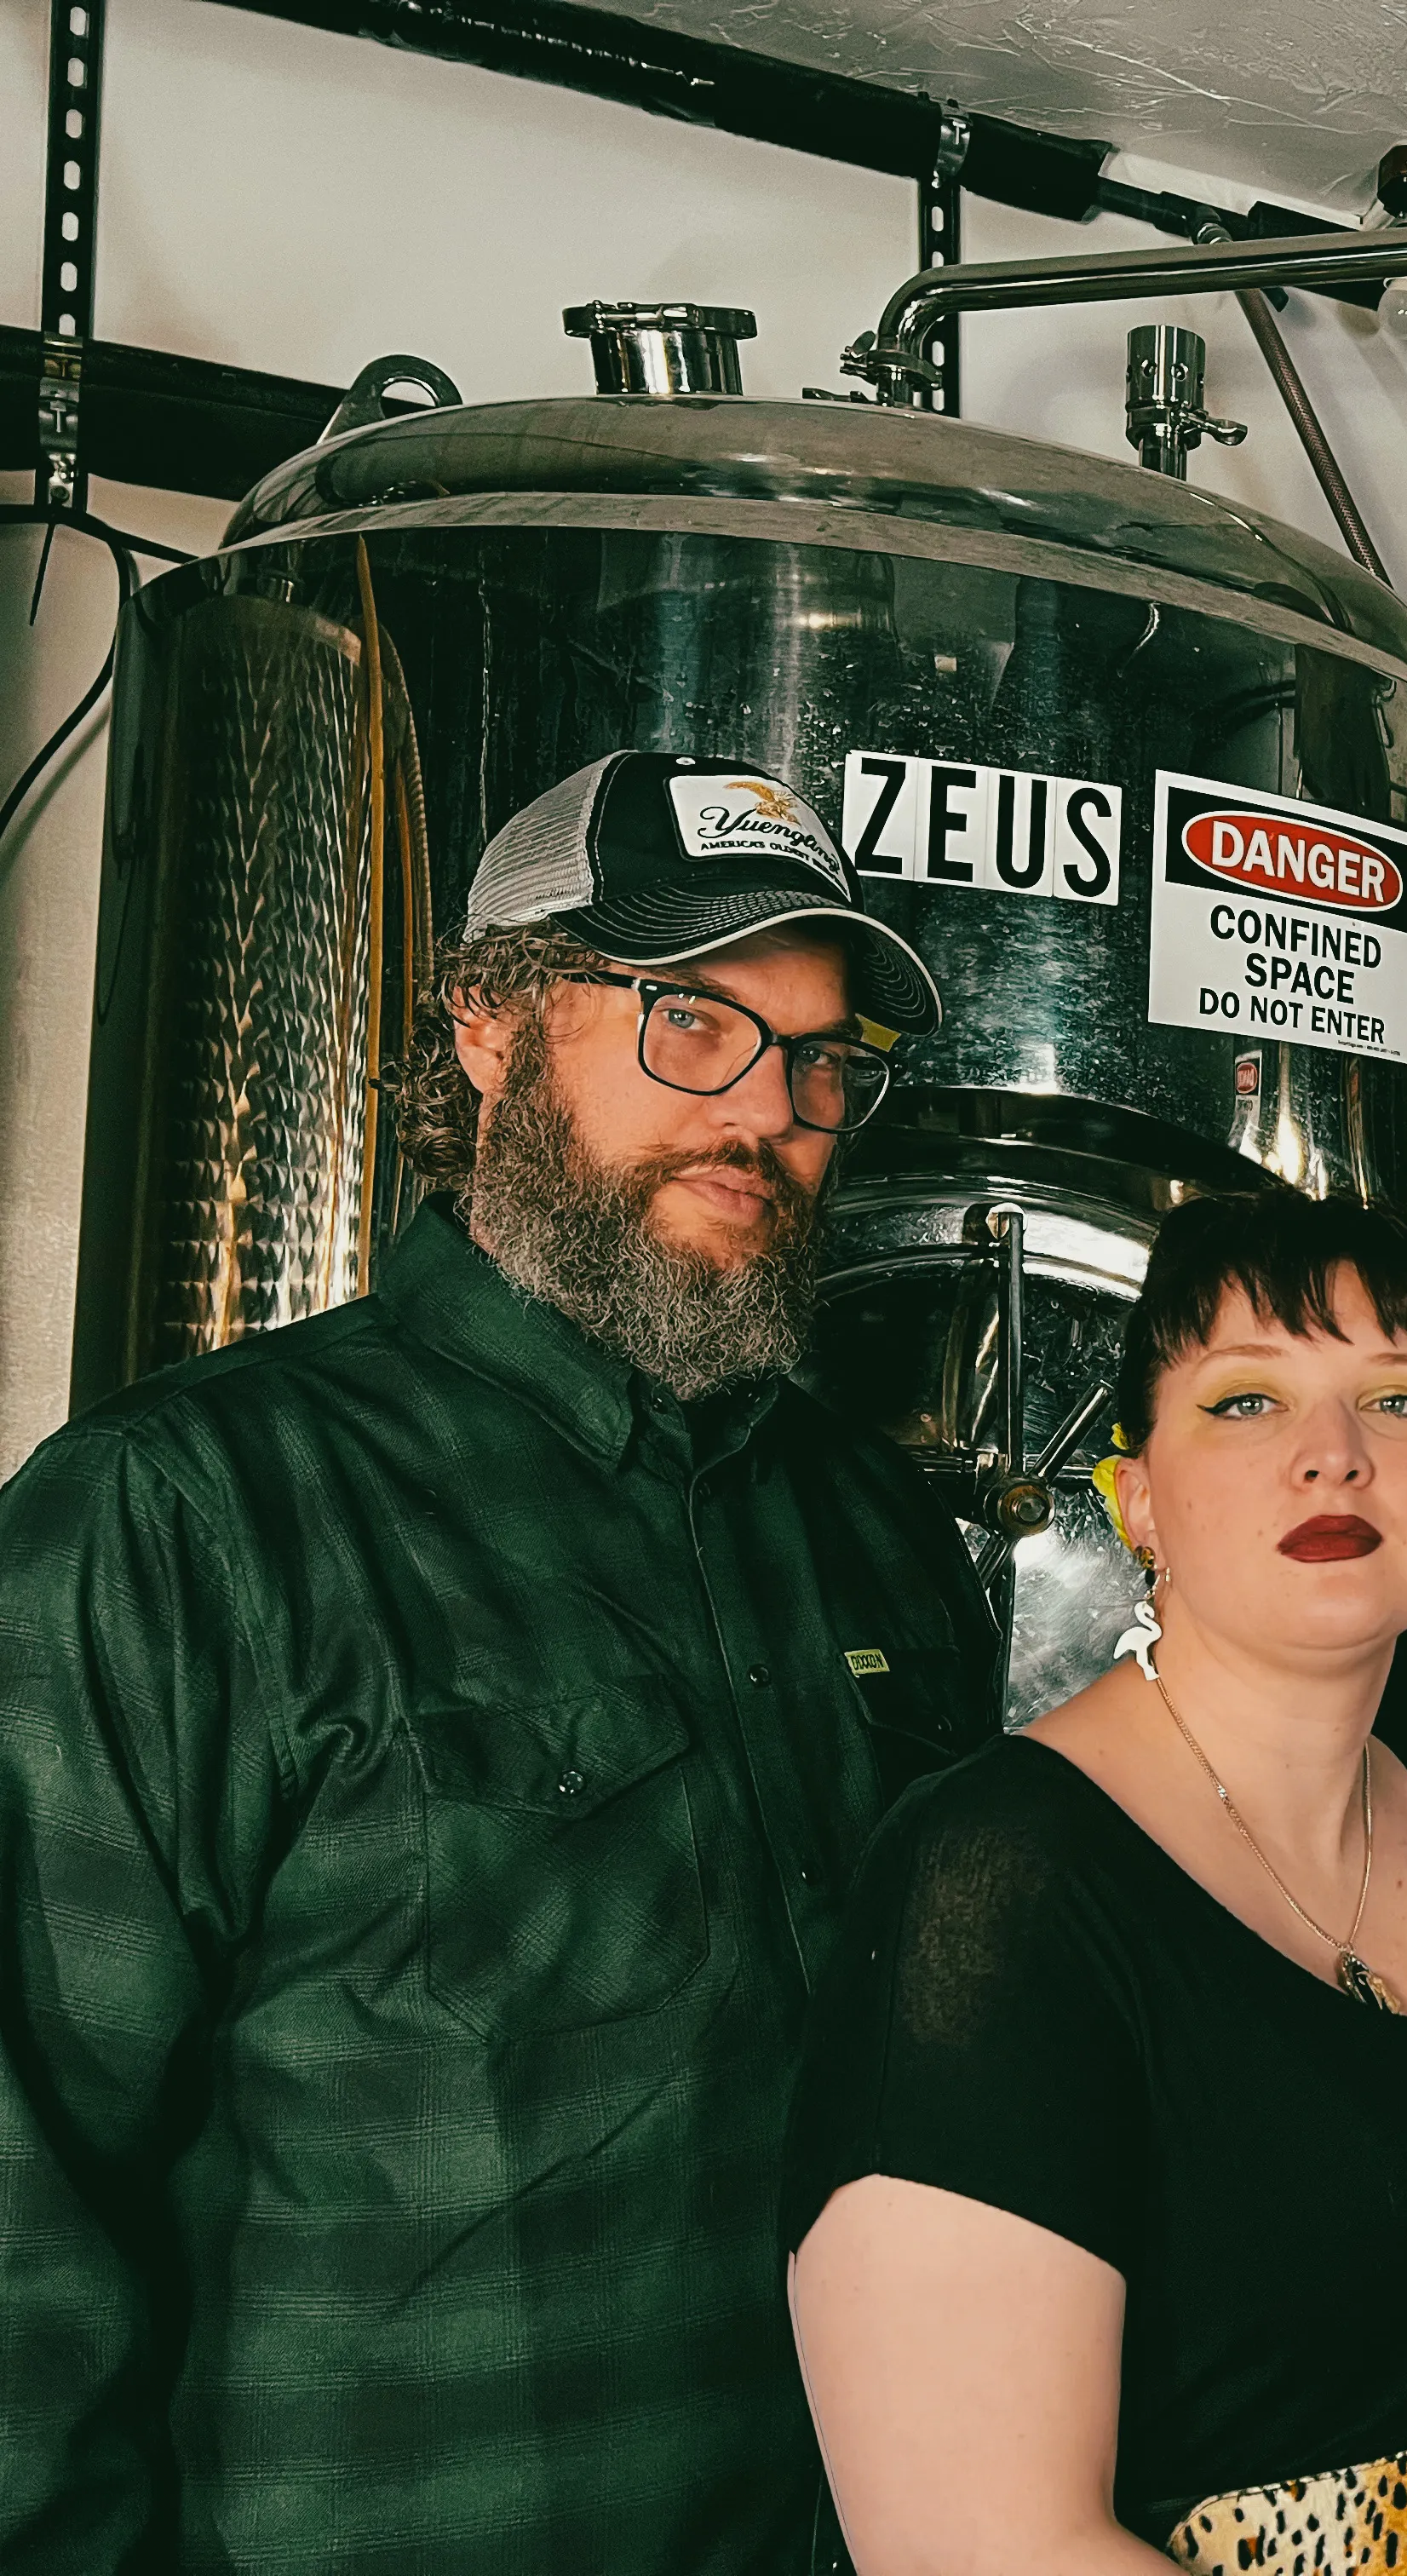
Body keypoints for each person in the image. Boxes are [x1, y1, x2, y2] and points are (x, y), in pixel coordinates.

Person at [0, 749, 997, 2573]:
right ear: (489, 1024)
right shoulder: (189, 1517)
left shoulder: (874, 1530)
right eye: (692, 1020)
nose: (768, 1111)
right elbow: (16, 2205)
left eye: (822, 1057)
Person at [782, 1187, 1407, 2575]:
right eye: (1248, 1403)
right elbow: (984, 2546)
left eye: (1402, 1402)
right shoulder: (997, 1885)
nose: (1335, 1458)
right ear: (1137, 1498)